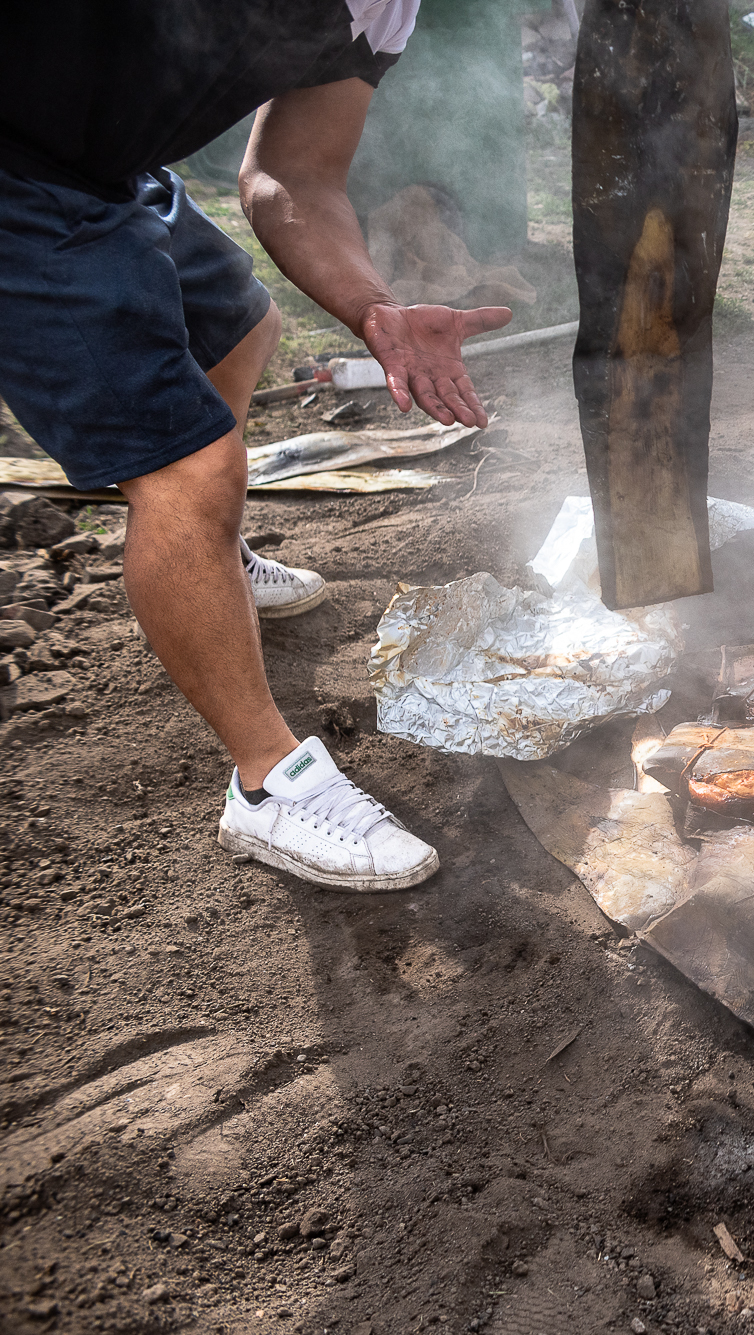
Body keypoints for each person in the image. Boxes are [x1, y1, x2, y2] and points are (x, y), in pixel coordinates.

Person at [1, 0, 510, 891]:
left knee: (240, 331)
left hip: (101, 170)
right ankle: (267, 783)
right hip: (14, 182)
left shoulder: (384, 13)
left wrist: (373, 308)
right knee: (187, 468)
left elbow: (294, 177)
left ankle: (212, 559)